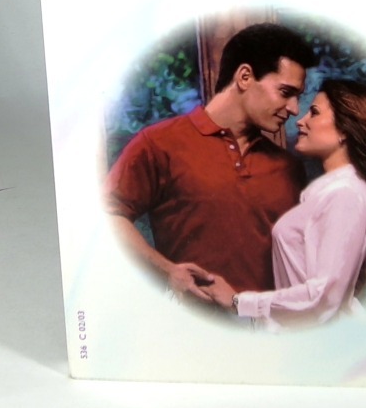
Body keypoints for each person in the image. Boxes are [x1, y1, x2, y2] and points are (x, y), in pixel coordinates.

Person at [104, 23, 318, 302]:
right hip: (190, 324)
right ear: (244, 77)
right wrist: (167, 271)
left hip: (268, 326)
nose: (294, 109)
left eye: (298, 97)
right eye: (286, 92)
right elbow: (107, 216)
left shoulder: (289, 167)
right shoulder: (158, 143)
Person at [202, 79, 366, 329]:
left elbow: (325, 297)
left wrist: (238, 302)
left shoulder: (346, 194)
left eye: (315, 112)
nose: (300, 120)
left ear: (345, 130)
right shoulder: (333, 192)